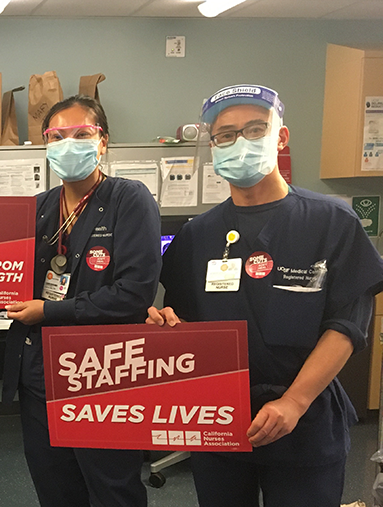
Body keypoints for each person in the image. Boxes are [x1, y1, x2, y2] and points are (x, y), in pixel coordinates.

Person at [147, 84, 383, 506]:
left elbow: (347, 326)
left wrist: (294, 401)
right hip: (219, 418)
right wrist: (167, 326)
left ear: (281, 137)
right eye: (226, 135)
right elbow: (186, 323)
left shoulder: (331, 222)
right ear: (214, 146)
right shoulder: (198, 235)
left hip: (305, 421)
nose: (240, 142)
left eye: (255, 129)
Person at [0, 95, 160, 506]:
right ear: (46, 145)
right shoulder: (37, 208)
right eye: (57, 135)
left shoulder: (129, 199)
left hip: (101, 372)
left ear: (102, 141)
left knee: (112, 487)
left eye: (82, 134)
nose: (69, 144)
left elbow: (133, 295)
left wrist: (48, 310)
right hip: (38, 369)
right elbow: (11, 283)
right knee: (55, 486)